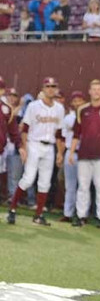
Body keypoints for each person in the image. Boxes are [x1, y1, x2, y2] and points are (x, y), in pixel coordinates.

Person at [7, 77, 65, 225]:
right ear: (43, 89)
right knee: (28, 179)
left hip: (49, 147)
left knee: (45, 183)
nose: (51, 88)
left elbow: (59, 133)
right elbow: (25, 128)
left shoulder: (59, 108)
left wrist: (59, 152)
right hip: (34, 144)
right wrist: (24, 148)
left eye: (53, 86)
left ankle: (38, 215)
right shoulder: (34, 106)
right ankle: (12, 209)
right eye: (48, 86)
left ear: (56, 89)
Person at [70, 79, 100, 227]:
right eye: (94, 89)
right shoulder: (82, 109)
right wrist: (72, 152)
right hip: (84, 154)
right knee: (83, 186)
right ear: (90, 92)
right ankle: (81, 216)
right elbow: (76, 134)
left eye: (99, 89)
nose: (97, 92)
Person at [61, 91, 85, 221]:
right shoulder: (68, 118)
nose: (77, 103)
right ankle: (67, 214)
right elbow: (63, 137)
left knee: (84, 186)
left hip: (84, 153)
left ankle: (83, 215)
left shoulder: (88, 116)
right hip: (70, 151)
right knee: (70, 185)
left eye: (79, 100)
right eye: (75, 101)